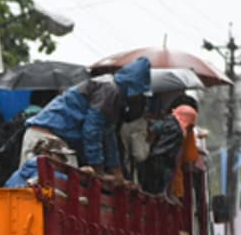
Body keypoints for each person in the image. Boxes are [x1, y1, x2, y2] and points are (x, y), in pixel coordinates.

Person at [21, 57, 152, 179]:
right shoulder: (109, 89)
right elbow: (92, 130)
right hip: (46, 140)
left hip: (53, 139)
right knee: (44, 192)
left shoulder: (114, 94)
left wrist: (116, 171)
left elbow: (108, 134)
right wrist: (98, 170)